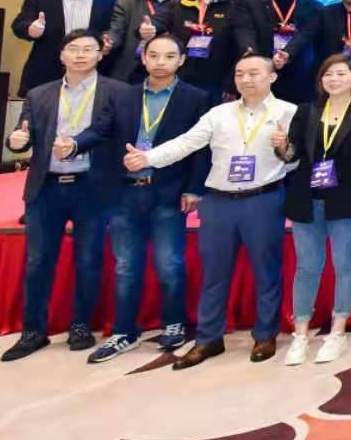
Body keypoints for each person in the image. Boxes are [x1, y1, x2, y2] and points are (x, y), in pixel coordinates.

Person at [125, 50, 298, 370]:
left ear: (272, 76)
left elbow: (297, 160)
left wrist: (284, 147)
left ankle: (265, 334)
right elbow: (186, 143)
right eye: (240, 74)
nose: (245, 79)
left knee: (267, 271)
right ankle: (208, 338)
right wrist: (147, 158)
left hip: (263, 200)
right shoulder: (218, 114)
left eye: (254, 73)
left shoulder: (289, 112)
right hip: (218, 203)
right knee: (214, 274)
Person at [0, 30, 127, 362]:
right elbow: (23, 137)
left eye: (88, 49)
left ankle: (81, 325)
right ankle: (33, 331)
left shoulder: (118, 92)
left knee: (89, 259)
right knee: (38, 260)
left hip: (92, 187)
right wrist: (15, 142)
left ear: (100, 54)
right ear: (61, 55)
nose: (81, 55)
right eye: (73, 49)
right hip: (46, 187)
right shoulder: (39, 94)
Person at [87, 34, 213, 364]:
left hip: (168, 191)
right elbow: (99, 131)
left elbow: (202, 148)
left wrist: (194, 188)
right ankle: (124, 332)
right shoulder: (123, 95)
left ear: (181, 60)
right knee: (126, 266)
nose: (160, 62)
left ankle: (174, 323)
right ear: (143, 58)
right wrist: (73, 144)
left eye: (169, 56)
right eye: (154, 55)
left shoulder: (197, 97)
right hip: (124, 192)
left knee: (169, 263)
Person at [273, 54, 351, 366]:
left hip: (347, 198)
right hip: (306, 197)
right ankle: (301, 333)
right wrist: (281, 146)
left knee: (346, 264)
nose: (333, 79)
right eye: (328, 74)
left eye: (341, 74)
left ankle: (338, 331)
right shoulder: (306, 110)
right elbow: (292, 155)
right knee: (307, 266)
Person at [11, 0, 117, 95]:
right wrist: (31, 29)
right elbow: (18, 25)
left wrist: (109, 41)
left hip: (95, 75)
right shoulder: (38, 0)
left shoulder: (111, 2)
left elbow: (116, 32)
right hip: (45, 75)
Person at [230, 0, 322, 105]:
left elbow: (307, 35)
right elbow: (244, 30)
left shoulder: (314, 6)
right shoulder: (246, 1)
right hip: (259, 76)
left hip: (299, 80)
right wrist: (252, 56)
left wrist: (287, 53)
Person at [171, 0, 238, 102]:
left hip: (220, 81)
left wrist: (232, 84)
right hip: (181, 79)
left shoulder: (237, 6)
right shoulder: (177, 5)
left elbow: (240, 47)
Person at [104, 0, 179, 82]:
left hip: (176, 71)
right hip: (133, 70)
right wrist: (107, 41)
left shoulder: (188, 2)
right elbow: (115, 32)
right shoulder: (127, 3)